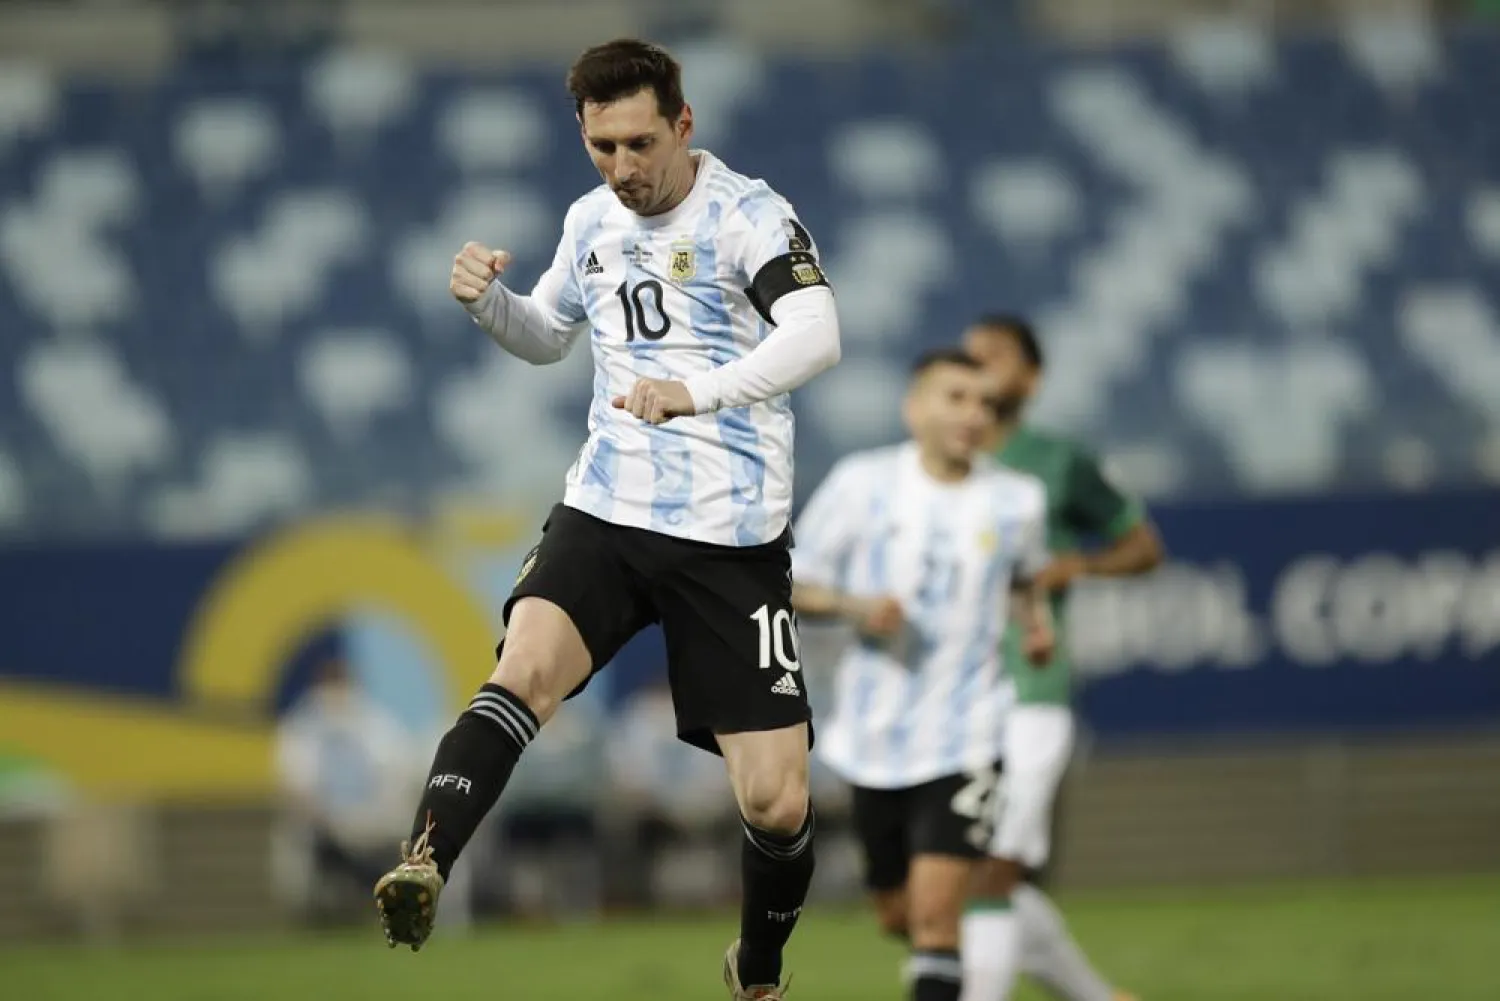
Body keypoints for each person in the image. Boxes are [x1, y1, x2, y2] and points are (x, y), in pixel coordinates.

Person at [372, 38, 842, 1001]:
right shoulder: (590, 219)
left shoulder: (749, 215)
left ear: (683, 125)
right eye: (601, 147)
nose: (622, 169)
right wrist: (488, 304)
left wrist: (697, 393)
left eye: (637, 143)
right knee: (523, 670)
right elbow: (548, 335)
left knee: (777, 799)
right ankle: (424, 859)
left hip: (731, 532)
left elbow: (817, 334)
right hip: (609, 507)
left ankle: (757, 969)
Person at [789, 349, 1054, 1001]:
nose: (973, 414)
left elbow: (1025, 577)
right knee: (898, 914)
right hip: (874, 738)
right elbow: (793, 580)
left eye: (985, 403)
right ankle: (995, 966)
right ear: (915, 407)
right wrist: (856, 606)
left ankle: (953, 966)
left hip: (969, 733)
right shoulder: (863, 484)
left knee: (937, 916)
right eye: (956, 397)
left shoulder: (1017, 501)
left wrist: (1036, 622)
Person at [960, 315, 1165, 1001]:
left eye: (995, 354)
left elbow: (1143, 546)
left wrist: (1074, 564)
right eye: (970, 354)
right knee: (955, 876)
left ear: (1032, 379)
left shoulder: (1058, 461)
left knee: (992, 865)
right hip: (951, 700)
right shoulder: (938, 461)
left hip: (1030, 687)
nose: (978, 363)